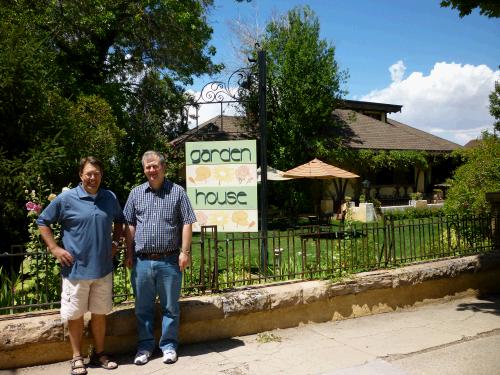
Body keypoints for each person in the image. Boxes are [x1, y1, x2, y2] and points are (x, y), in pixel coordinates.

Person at [37, 156, 123, 375]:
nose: (93, 177)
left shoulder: (109, 197)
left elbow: (120, 220)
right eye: (89, 173)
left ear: (101, 175)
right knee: (75, 315)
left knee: (100, 314)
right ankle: (77, 358)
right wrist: (55, 249)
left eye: (97, 173)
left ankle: (99, 353)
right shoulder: (67, 199)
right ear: (81, 175)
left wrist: (115, 242)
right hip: (75, 270)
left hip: (102, 269)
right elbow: (42, 221)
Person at [123, 150, 196, 366]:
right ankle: (145, 347)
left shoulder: (178, 192)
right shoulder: (136, 193)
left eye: (155, 166)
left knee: (171, 307)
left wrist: (185, 252)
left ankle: (169, 346)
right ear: (144, 169)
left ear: (163, 167)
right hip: (142, 261)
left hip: (169, 260)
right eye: (148, 167)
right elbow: (129, 225)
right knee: (142, 308)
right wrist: (128, 253)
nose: (152, 170)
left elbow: (187, 222)